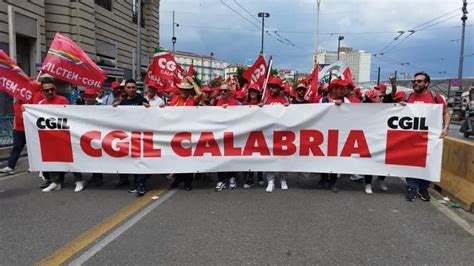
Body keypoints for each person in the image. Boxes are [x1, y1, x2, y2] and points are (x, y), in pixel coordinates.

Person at [401, 72, 450, 202]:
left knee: (429, 164)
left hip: (430, 139)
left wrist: (445, 128)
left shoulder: (435, 97)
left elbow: (446, 113)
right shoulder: (407, 97)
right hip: (411, 139)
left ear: (426, 83)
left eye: (419, 81)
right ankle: (411, 187)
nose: (415, 83)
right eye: (414, 81)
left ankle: (423, 188)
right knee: (410, 162)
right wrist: (399, 108)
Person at [113, 79, 150, 196]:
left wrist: (148, 108)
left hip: (140, 137)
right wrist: (114, 108)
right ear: (125, 89)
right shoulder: (122, 103)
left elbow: (150, 115)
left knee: (140, 161)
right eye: (128, 87)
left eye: (133, 87)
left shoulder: (141, 100)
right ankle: (135, 183)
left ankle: (141, 184)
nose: (131, 89)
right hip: (127, 137)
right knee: (132, 161)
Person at [167, 77, 202, 191]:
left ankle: (188, 182)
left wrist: (192, 82)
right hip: (175, 133)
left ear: (189, 91)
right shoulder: (174, 100)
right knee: (176, 158)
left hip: (188, 133)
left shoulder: (193, 100)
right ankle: (177, 179)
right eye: (182, 89)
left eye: (186, 89)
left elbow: (200, 94)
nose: (183, 91)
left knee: (187, 157)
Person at [36, 77, 71, 192]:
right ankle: (55, 181)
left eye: (52, 89)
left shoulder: (63, 100)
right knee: (50, 159)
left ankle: (77, 179)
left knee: (67, 159)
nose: (50, 92)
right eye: (47, 90)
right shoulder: (40, 104)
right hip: (48, 138)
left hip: (63, 137)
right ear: (42, 91)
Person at [316, 78, 350, 193]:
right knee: (322, 157)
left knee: (335, 159)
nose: (343, 90)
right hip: (323, 134)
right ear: (333, 89)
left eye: (344, 88)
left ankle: (333, 182)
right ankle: (324, 179)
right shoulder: (322, 100)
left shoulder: (346, 101)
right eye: (340, 88)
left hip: (339, 135)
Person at [259, 76, 290, 193]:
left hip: (283, 133)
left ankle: (283, 179)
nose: (271, 89)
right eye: (270, 87)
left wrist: (289, 108)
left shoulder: (285, 99)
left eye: (274, 87)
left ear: (279, 88)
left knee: (283, 157)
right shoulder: (265, 100)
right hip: (269, 134)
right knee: (270, 157)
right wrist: (260, 108)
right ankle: (270, 181)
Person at [362, 89, 388, 194]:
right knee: (370, 162)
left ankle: (380, 179)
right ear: (372, 99)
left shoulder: (389, 108)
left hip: (383, 139)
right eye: (380, 96)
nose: (383, 98)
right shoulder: (363, 110)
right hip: (369, 139)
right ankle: (368, 183)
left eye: (383, 96)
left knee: (385, 161)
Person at [215, 83, 240, 191]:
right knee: (219, 157)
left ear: (229, 92)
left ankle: (231, 178)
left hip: (231, 134)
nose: (223, 93)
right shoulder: (217, 102)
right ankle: (221, 180)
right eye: (221, 90)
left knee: (230, 157)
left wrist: (229, 110)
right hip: (220, 135)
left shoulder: (235, 103)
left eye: (225, 91)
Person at [242, 83, 264, 188]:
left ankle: (260, 175)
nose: (252, 93)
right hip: (248, 134)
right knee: (249, 156)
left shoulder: (263, 104)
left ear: (258, 93)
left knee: (260, 155)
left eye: (254, 91)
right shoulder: (245, 105)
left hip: (260, 133)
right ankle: (250, 178)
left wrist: (263, 107)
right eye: (250, 91)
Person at [0, 98, 28, 175]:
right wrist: (14, 127)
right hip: (18, 129)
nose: (15, 96)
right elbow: (16, 116)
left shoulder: (29, 102)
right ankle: (10, 167)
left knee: (34, 149)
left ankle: (37, 167)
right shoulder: (16, 103)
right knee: (16, 148)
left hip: (29, 129)